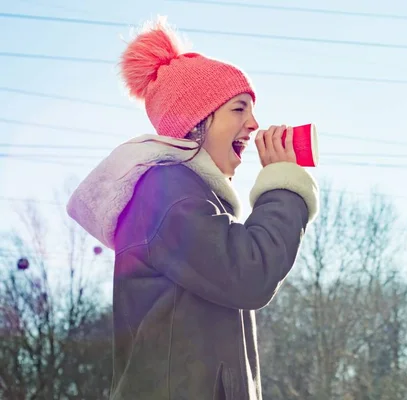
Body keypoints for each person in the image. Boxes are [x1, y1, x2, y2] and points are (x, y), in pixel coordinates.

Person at [66, 16, 318, 400]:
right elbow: (249, 272)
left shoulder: (190, 194)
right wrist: (283, 187)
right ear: (196, 121)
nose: (254, 124)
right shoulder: (167, 191)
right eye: (239, 109)